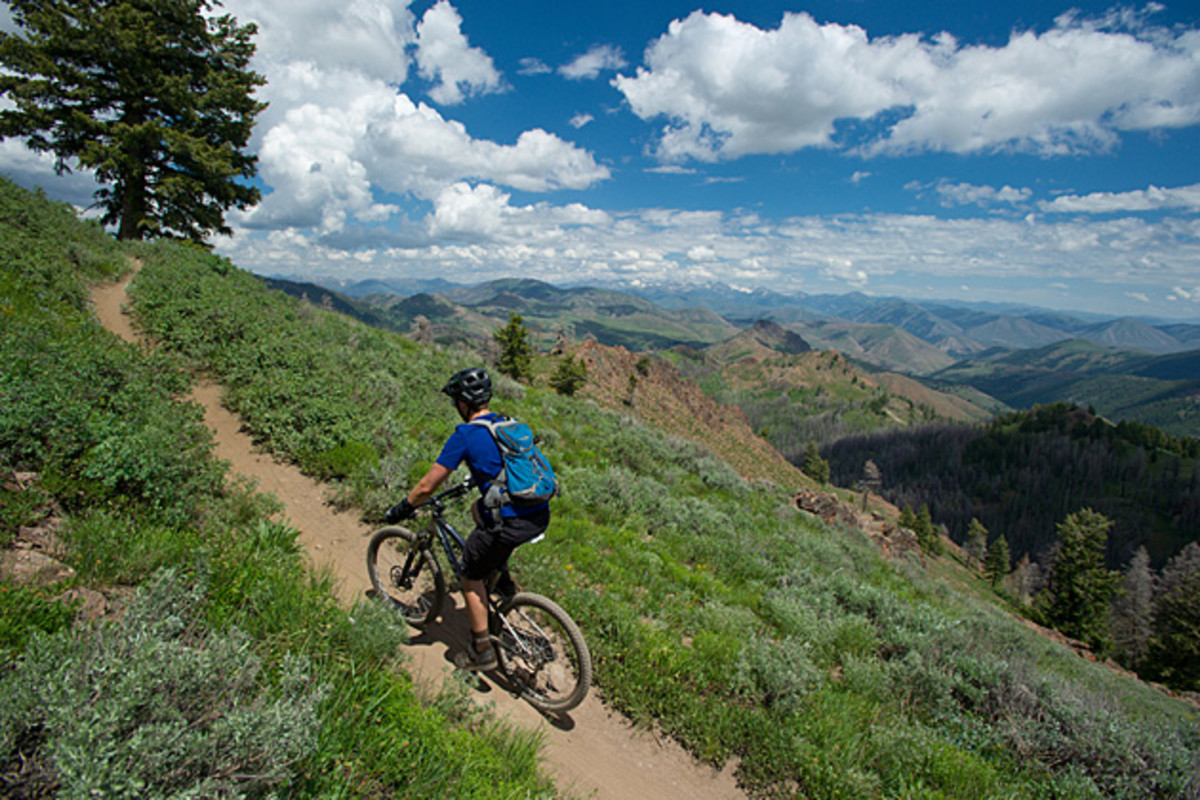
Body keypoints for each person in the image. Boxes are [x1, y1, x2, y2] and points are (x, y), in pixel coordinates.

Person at [385, 366, 551, 671]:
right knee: (480, 510)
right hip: (538, 513)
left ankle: (481, 650)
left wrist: (402, 509)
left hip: (510, 521)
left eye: (455, 401)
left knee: (470, 575)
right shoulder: (505, 423)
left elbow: (426, 486)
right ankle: (501, 580)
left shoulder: (465, 434)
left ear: (463, 402)